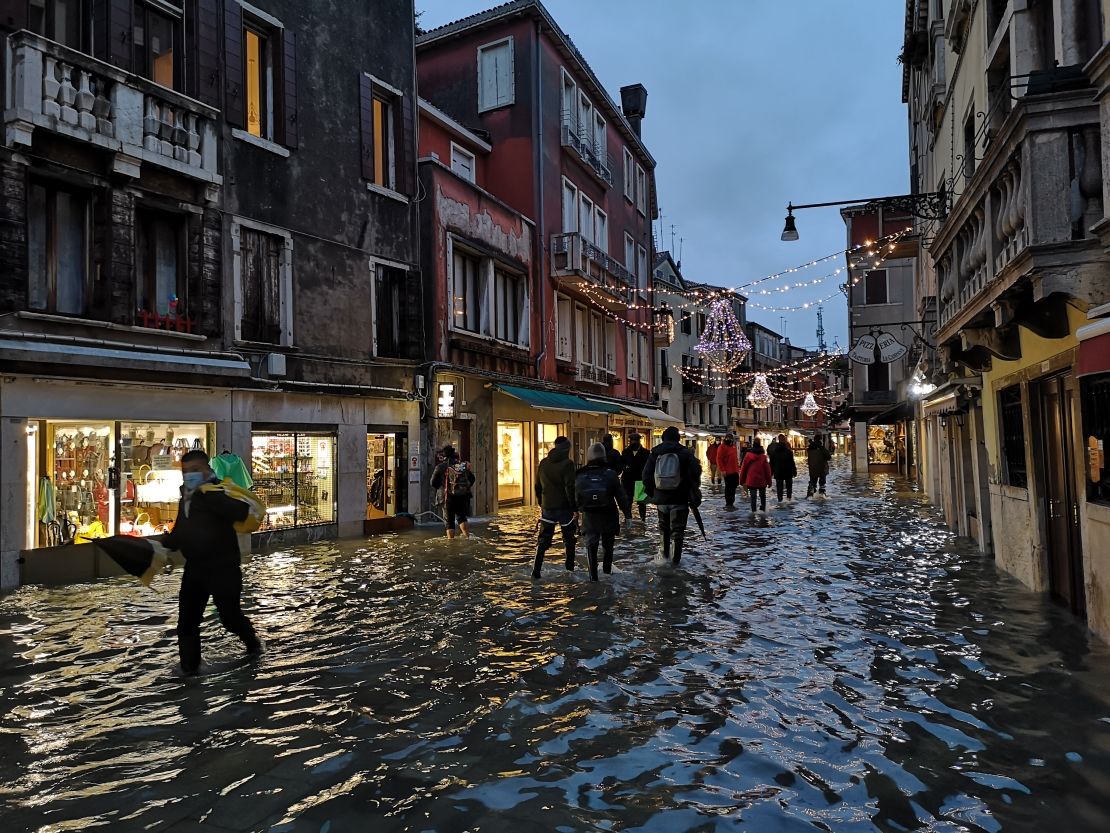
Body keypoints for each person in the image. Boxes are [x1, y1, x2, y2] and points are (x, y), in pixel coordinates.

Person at [163, 449, 262, 676]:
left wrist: (206, 495)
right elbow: (180, 531)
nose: (190, 475)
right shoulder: (186, 497)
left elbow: (240, 511)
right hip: (195, 568)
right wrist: (163, 546)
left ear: (207, 469)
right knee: (187, 622)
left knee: (229, 617)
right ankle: (189, 670)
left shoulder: (216, 491)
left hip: (223, 568)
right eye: (185, 471)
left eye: (195, 470)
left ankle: (254, 645)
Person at [643, 426, 701, 564]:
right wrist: (693, 489)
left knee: (664, 529)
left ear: (663, 438)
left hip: (661, 500)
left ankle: (664, 560)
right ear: (678, 438)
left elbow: (646, 475)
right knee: (678, 531)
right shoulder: (685, 454)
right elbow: (696, 472)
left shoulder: (655, 453)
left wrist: (652, 493)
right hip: (680, 499)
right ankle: (676, 563)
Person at [575, 443, 631, 580]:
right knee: (608, 546)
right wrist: (628, 515)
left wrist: (575, 513)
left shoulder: (580, 475)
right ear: (604, 456)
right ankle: (607, 573)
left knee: (591, 546)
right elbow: (621, 497)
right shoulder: (611, 474)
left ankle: (593, 578)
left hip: (589, 517)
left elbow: (574, 497)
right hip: (609, 515)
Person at [533, 436, 578, 578]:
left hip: (547, 507)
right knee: (569, 539)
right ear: (567, 449)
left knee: (543, 540)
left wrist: (541, 502)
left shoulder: (544, 463)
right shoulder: (568, 464)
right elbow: (569, 487)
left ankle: (536, 572)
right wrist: (575, 508)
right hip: (564, 508)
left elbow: (537, 486)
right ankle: (569, 570)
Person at [430, 446, 475, 538]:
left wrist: (441, 488)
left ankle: (451, 543)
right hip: (461, 496)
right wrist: (464, 487)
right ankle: (467, 537)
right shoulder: (461, 466)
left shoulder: (440, 467)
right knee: (461, 517)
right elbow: (472, 479)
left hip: (447, 497)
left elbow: (433, 483)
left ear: (444, 456)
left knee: (449, 521)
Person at [619, 432, 651, 521]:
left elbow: (648, 467)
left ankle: (643, 518)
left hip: (640, 480)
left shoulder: (646, 453)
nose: (633, 443)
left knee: (641, 502)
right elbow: (621, 464)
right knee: (628, 500)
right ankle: (628, 518)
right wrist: (624, 467)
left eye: (635, 441)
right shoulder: (625, 452)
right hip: (628, 480)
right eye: (631, 441)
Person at [738, 440, 773, 513]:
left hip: (751, 480)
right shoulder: (763, 457)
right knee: (762, 496)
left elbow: (743, 469)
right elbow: (767, 470)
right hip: (761, 480)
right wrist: (769, 482)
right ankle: (763, 511)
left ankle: (753, 512)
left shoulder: (748, 456)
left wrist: (741, 481)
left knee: (753, 497)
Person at [768, 433, 798, 503]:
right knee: (789, 488)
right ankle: (789, 500)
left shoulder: (774, 452)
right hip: (788, 472)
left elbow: (771, 463)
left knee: (779, 489)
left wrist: (770, 473)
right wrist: (794, 471)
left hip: (778, 472)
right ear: (784, 440)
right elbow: (792, 462)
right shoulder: (789, 452)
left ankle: (780, 501)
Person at [716, 435, 741, 508]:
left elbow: (735, 458)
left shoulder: (733, 447)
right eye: (729, 439)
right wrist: (722, 470)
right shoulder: (722, 447)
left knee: (734, 486)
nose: (730, 440)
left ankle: (731, 502)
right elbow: (719, 459)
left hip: (735, 470)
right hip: (727, 471)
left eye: (731, 439)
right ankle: (728, 503)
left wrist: (738, 469)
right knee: (729, 487)